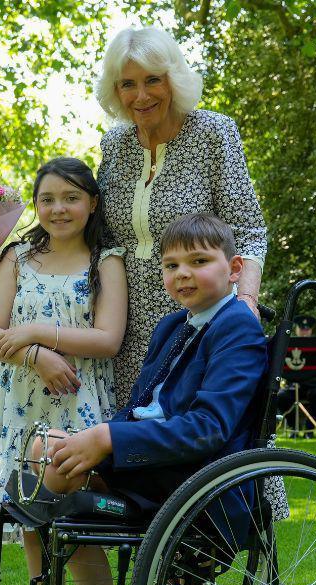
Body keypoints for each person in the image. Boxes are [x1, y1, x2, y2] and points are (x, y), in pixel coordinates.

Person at [29, 214, 268, 585]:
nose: (183, 274)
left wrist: (109, 440)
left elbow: (208, 428)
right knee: (46, 452)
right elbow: (141, 405)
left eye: (198, 261)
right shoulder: (174, 325)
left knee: (53, 472)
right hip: (148, 468)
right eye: (171, 265)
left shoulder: (237, 328)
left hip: (191, 479)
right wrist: (98, 437)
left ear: (234, 271)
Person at [0, 158, 128, 554]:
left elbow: (108, 339)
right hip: (21, 401)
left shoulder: (106, 261)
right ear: (36, 206)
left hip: (78, 398)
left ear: (93, 203)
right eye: (47, 199)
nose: (59, 209)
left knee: (75, 521)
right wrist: (36, 356)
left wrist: (36, 332)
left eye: (71, 198)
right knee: (28, 509)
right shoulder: (19, 257)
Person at [95, 26, 269, 409]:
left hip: (199, 317)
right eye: (128, 84)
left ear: (173, 79)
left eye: (152, 80)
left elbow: (249, 230)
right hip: (125, 324)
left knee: (202, 435)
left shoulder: (213, 132)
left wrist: (247, 302)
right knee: (133, 442)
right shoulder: (114, 145)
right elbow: (97, 233)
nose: (141, 96)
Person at [276, 315, 316, 438]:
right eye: (302, 329)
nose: (305, 331)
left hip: (312, 385)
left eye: (307, 329)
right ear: (297, 329)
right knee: (281, 397)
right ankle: (293, 428)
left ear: (311, 330)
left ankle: (309, 430)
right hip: (293, 385)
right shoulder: (287, 343)